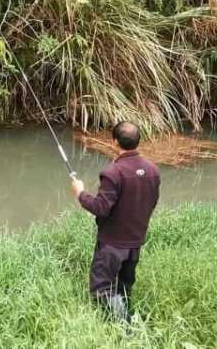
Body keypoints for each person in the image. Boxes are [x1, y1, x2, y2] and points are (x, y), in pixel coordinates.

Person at [71, 121, 161, 321]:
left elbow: (100, 208)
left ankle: (124, 327)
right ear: (139, 141)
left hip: (112, 243)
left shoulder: (113, 172)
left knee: (102, 288)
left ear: (114, 142)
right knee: (124, 285)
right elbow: (152, 202)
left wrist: (80, 193)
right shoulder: (153, 170)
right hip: (135, 241)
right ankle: (128, 315)